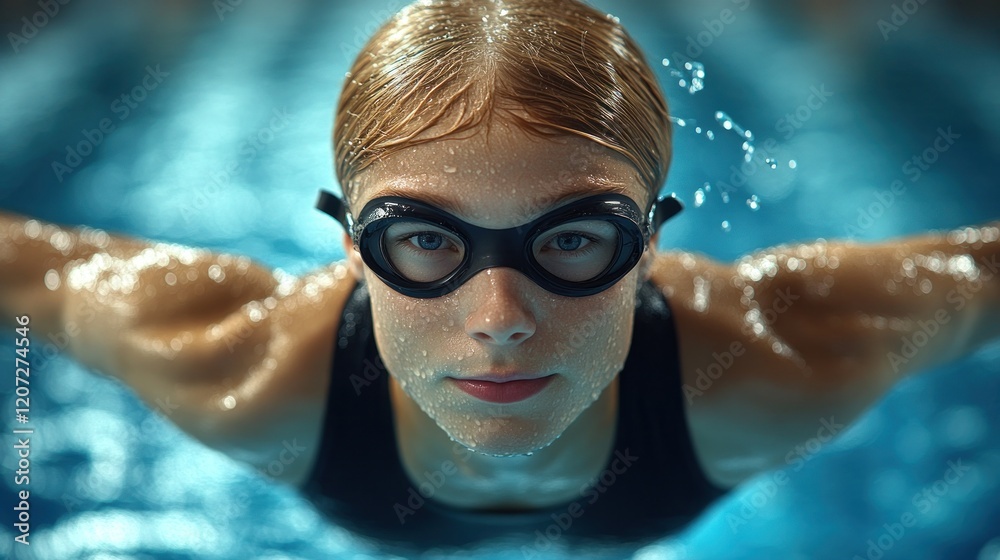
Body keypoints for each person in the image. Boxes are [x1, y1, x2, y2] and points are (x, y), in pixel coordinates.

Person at [2, 0, 998, 552]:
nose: (501, 319)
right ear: (351, 244)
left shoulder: (778, 361)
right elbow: (30, 269)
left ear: (650, 239)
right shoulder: (240, 364)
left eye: (573, 239)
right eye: (424, 240)